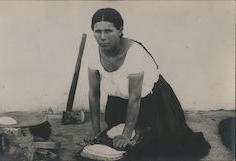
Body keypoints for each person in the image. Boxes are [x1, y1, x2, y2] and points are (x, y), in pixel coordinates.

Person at [85, 7, 211, 158]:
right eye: (98, 31)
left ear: (120, 30)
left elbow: (135, 98)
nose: (103, 37)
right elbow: (93, 93)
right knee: (108, 143)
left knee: (151, 149)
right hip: (119, 104)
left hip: (152, 104)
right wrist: (96, 130)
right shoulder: (93, 53)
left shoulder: (134, 53)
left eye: (108, 31)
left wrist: (126, 135)